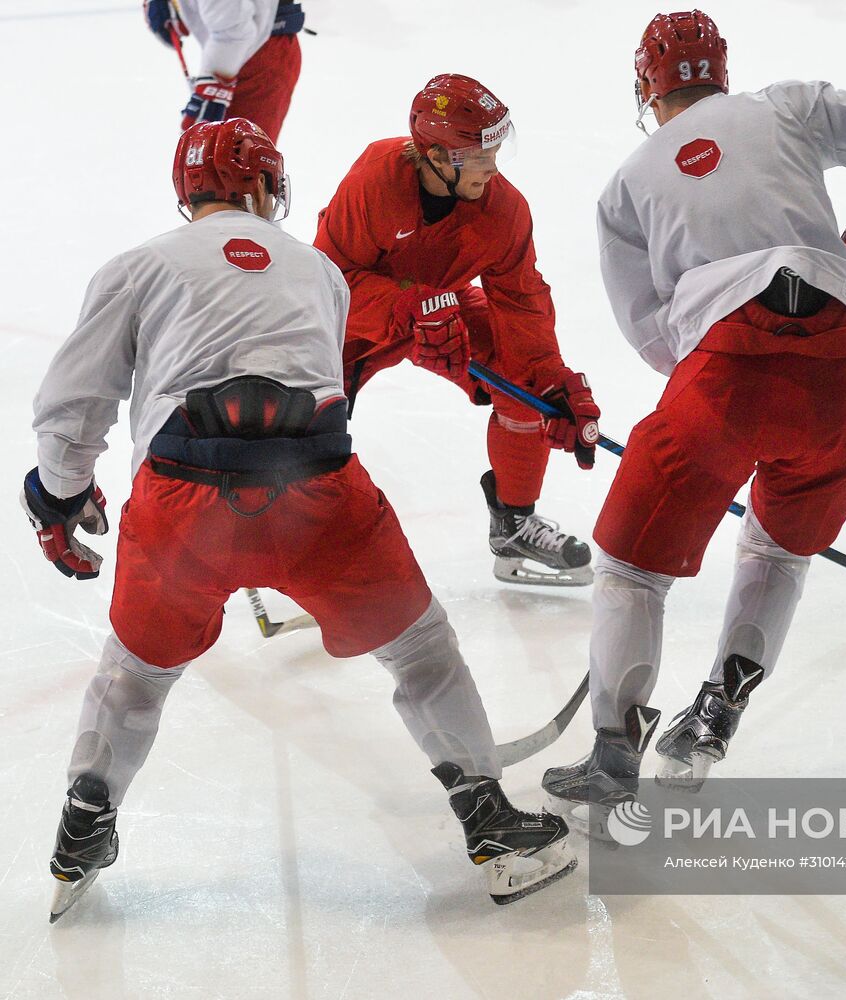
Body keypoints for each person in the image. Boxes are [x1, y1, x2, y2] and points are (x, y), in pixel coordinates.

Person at [23, 119, 573, 920]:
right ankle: (488, 822)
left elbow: (72, 409)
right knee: (422, 651)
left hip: (182, 501)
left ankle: (85, 821)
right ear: (263, 186)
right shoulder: (318, 271)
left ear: (188, 193)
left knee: (135, 674)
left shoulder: (137, 265)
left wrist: (61, 497)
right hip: (317, 495)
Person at [541, 10, 846, 824]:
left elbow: (652, 332)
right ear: (719, 69)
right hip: (843, 369)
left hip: (722, 379)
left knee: (632, 568)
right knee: (778, 549)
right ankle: (714, 716)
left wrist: (726, 382)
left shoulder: (626, 184)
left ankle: (614, 751)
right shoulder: (785, 107)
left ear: (645, 87)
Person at [314, 74, 601, 587]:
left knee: (523, 378)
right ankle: (284, 530)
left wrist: (549, 380)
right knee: (304, 408)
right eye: (477, 155)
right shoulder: (375, 181)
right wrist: (405, 307)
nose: (492, 169)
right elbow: (327, 284)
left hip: (442, 308)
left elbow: (523, 306)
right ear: (435, 155)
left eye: (495, 151)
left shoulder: (504, 211)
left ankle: (514, 523)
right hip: (358, 317)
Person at [143, 0, 307, 142]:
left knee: (229, 168)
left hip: (256, 57)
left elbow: (234, 31)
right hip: (252, 51)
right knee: (222, 167)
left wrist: (212, 89)